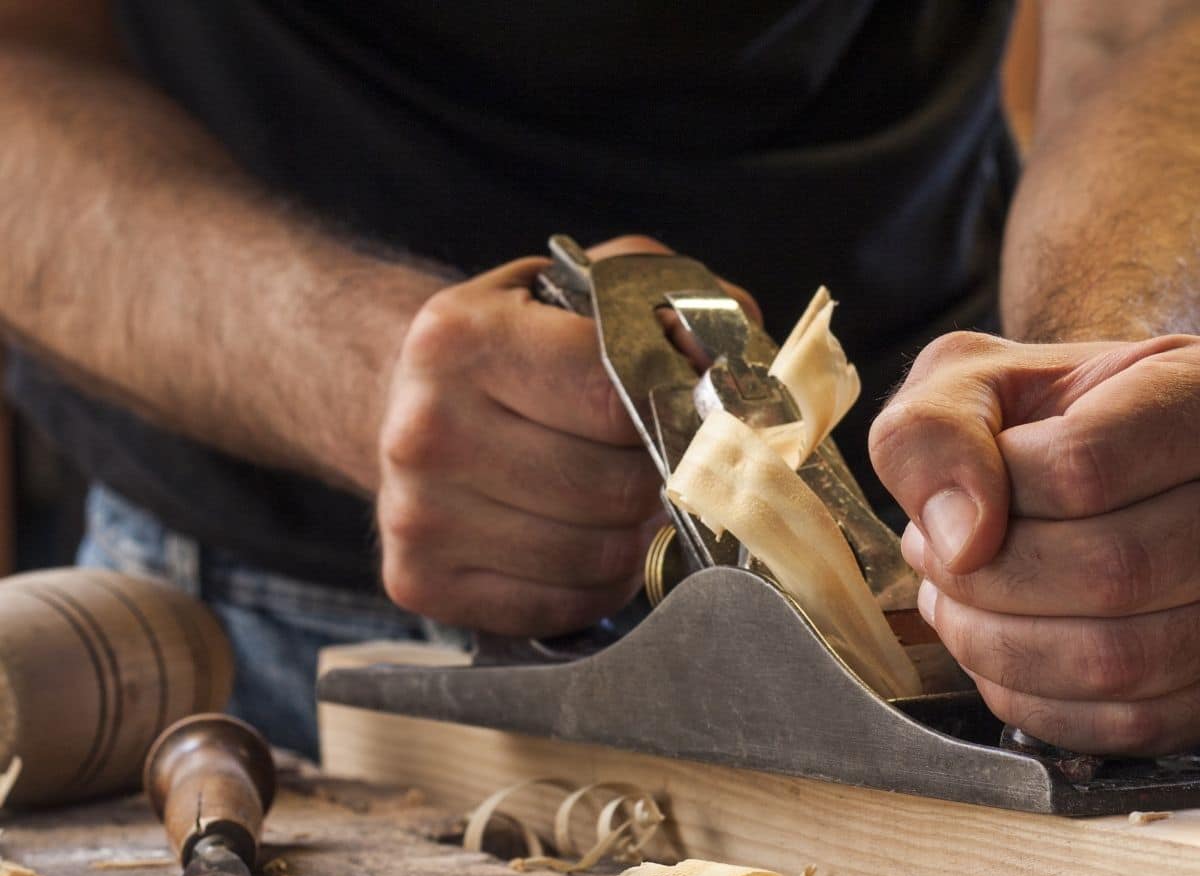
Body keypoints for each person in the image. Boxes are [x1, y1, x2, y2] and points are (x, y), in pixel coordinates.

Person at [0, 3, 1196, 759]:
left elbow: (1141, 27)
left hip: (952, 559)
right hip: (245, 650)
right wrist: (357, 371)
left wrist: (1098, 398)